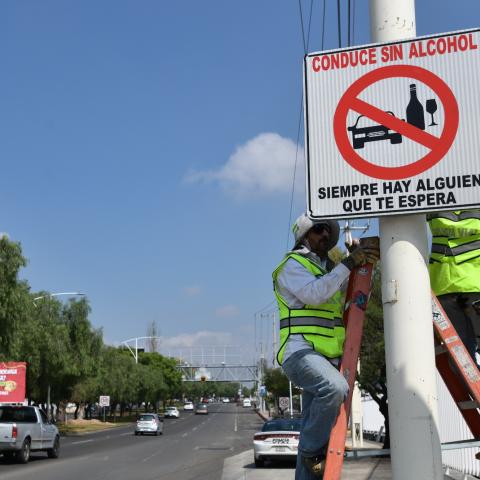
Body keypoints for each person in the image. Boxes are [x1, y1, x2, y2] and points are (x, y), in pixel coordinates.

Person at [272, 213, 380, 479]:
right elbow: (316, 294)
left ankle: (308, 464)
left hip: (326, 356)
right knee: (334, 388)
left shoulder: (325, 271)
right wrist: (349, 263)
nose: (324, 236)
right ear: (304, 236)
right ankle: (311, 452)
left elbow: (342, 287)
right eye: (318, 230)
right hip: (300, 352)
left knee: (314, 424)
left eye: (327, 232)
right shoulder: (292, 265)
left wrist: (354, 265)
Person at [428, 210, 480, 364]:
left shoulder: (435, 203)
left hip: (444, 285)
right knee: (460, 355)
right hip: (471, 284)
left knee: (461, 354)